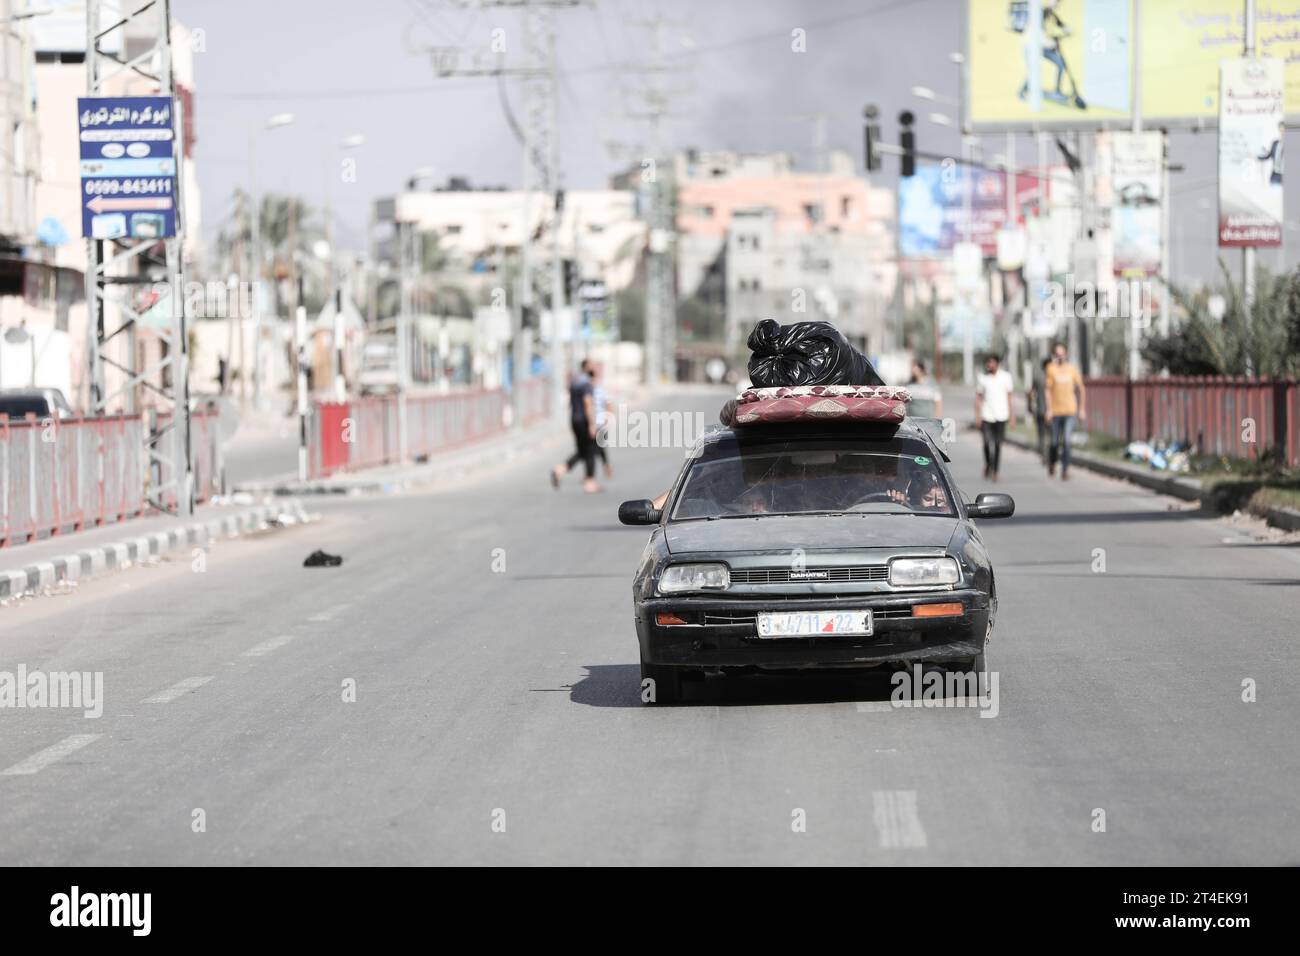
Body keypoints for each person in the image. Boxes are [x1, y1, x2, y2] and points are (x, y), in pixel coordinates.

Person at [551, 360, 601, 493]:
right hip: (584, 420)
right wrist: (591, 424)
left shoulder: (575, 381)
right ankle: (590, 482)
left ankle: (560, 469)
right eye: (593, 366)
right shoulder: (586, 383)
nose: (595, 368)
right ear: (587, 368)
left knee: (582, 451)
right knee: (590, 450)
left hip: (574, 419)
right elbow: (587, 403)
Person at [1044, 342, 1086, 480]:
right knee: (1055, 442)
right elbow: (1047, 390)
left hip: (1070, 411)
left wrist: (1082, 409)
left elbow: (1081, 389)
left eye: (1062, 354)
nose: (1060, 357)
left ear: (1066, 354)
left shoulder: (1072, 369)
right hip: (1055, 412)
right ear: (1054, 356)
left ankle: (1065, 470)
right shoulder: (1051, 369)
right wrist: (1049, 409)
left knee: (1067, 441)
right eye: (1057, 355)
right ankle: (1052, 462)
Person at [974, 354, 1015, 481]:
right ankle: (988, 464)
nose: (989, 365)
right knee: (986, 443)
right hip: (987, 415)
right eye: (987, 362)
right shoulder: (983, 379)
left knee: (998, 444)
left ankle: (996, 471)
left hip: (1001, 415)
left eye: (991, 362)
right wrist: (978, 416)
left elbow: (1009, 398)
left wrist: (1012, 415)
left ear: (997, 363)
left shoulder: (1006, 377)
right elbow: (978, 398)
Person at [589, 364, 614, 479]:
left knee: (595, 448)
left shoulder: (598, 390)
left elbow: (609, 404)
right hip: (592, 425)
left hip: (599, 425)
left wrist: (607, 418)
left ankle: (590, 476)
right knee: (596, 449)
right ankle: (605, 466)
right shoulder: (587, 391)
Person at [1027, 357, 1051, 461]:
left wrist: (1030, 405)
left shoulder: (1037, 377)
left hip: (1042, 410)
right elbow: (1031, 393)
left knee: (1042, 434)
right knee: (1049, 435)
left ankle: (1044, 454)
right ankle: (1047, 455)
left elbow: (1031, 393)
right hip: (1048, 411)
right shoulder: (1052, 377)